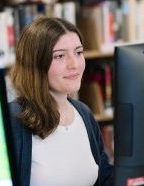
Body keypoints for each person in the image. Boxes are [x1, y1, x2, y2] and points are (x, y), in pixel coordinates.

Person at [7, 16, 113, 186]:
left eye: (78, 52)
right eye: (60, 56)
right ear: (36, 64)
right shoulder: (13, 120)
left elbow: (105, 177)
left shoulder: (83, 113)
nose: (74, 64)